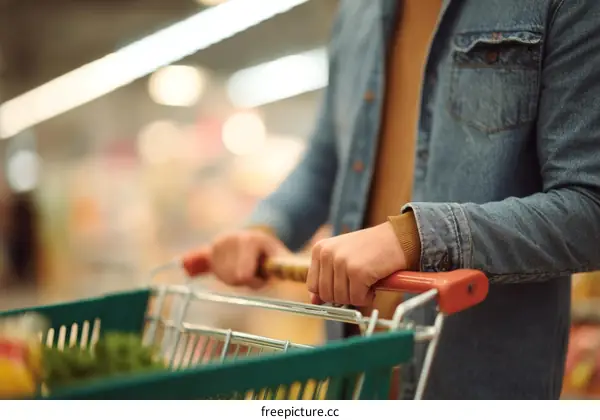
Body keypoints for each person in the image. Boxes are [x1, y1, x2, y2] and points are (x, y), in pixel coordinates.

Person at [194, 0, 600, 399]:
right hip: (351, 372)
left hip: (474, 384)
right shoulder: (357, 12)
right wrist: (266, 226)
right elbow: (327, 160)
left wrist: (414, 237)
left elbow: (589, 209)